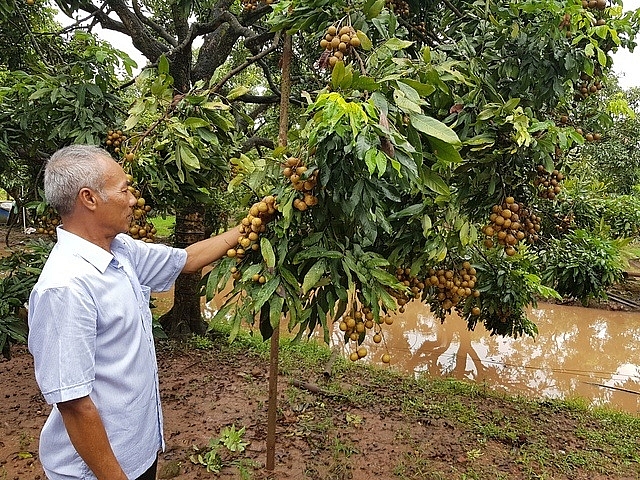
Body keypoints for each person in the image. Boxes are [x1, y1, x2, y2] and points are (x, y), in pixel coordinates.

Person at [28, 145, 241, 480]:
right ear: (89, 198)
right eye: (124, 189)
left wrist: (247, 228)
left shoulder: (121, 250)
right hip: (98, 470)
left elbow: (185, 260)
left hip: (135, 451)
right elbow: (74, 404)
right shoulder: (65, 288)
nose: (132, 199)